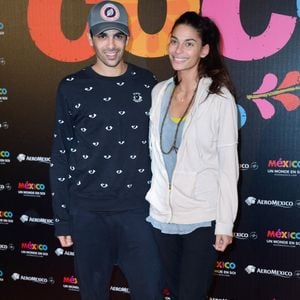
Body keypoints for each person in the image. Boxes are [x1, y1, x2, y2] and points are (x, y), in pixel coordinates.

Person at [49, 1, 163, 299]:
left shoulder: (147, 83)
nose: (111, 45)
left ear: (128, 38)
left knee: (150, 293)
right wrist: (62, 217)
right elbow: (61, 154)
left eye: (118, 35)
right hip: (88, 214)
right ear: (90, 38)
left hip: (139, 212)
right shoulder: (71, 86)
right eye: (103, 36)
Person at [145, 12, 239, 300]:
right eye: (174, 42)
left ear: (204, 50)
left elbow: (228, 167)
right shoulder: (159, 92)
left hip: (201, 217)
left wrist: (225, 223)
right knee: (174, 292)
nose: (178, 50)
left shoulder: (219, 99)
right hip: (162, 216)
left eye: (189, 44)